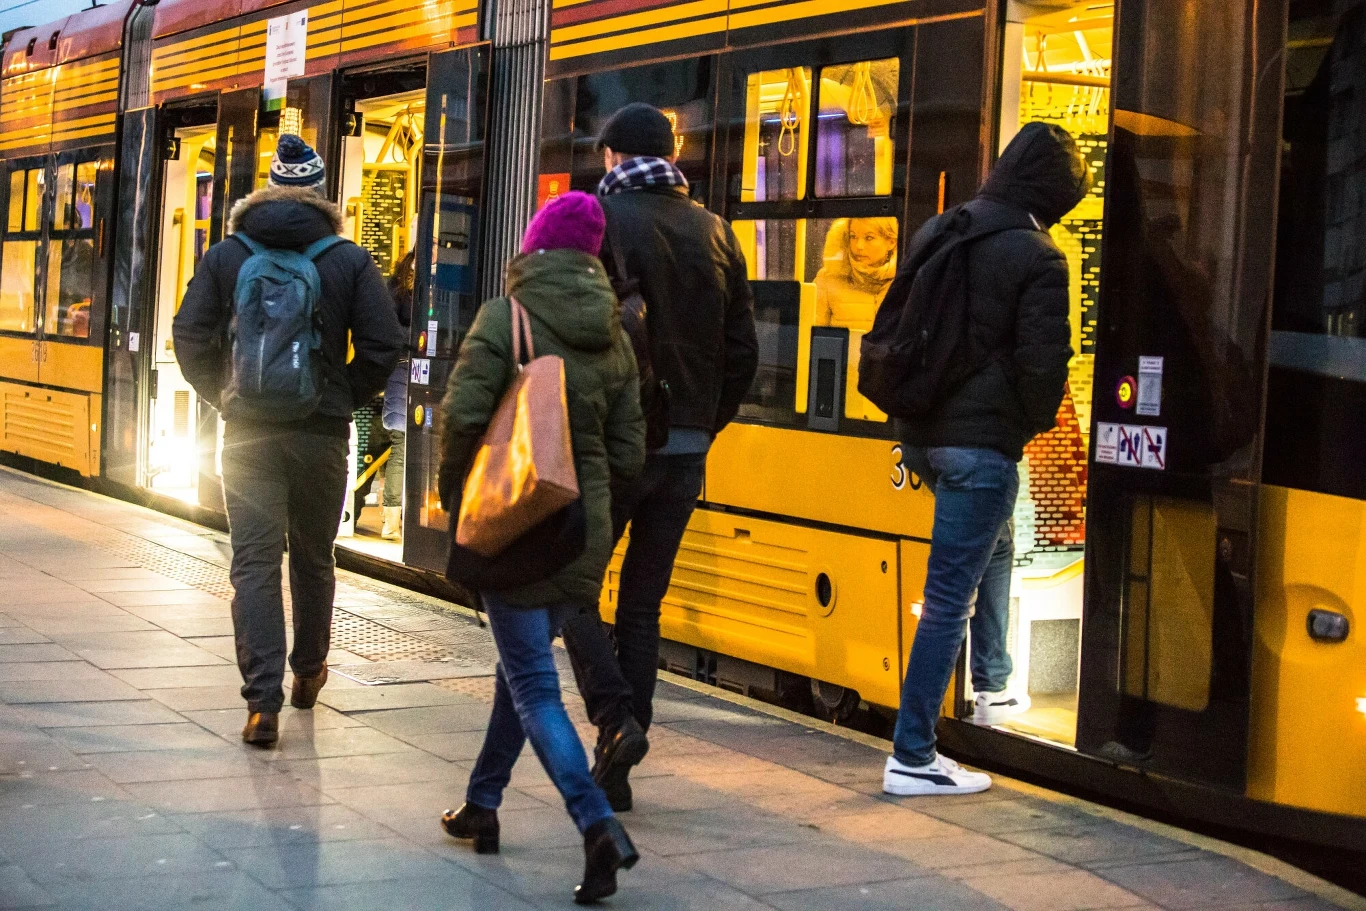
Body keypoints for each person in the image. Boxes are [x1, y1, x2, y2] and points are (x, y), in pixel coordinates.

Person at [436, 191, 645, 904]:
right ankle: (482, 802)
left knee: (531, 685)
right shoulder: (615, 332)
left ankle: (597, 826)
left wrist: (456, 496)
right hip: (580, 535)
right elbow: (629, 450)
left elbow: (462, 417)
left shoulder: (508, 317)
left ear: (533, 247)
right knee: (518, 673)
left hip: (515, 525)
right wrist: (591, 514)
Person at [173, 135, 403, 746]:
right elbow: (383, 345)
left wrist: (223, 395)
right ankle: (308, 673)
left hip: (247, 433)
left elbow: (189, 335)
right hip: (322, 434)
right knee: (312, 556)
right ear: (322, 193)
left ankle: (261, 705)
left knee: (252, 562)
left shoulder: (228, 254)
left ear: (269, 188)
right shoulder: (348, 259)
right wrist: (342, 396)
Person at [560, 103, 758, 812]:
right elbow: (744, 353)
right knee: (641, 607)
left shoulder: (596, 220)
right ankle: (620, 763)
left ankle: (614, 720)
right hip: (684, 455)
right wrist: (703, 424)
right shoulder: (717, 231)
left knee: (568, 588)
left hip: (615, 448)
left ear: (613, 155)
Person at [885, 121, 1091, 796]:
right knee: (948, 596)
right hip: (979, 445)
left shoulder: (942, 228)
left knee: (994, 545)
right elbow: (1044, 368)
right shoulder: (1039, 255)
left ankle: (993, 683)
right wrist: (1020, 428)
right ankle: (912, 754)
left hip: (922, 435)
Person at [379, 248, 416, 540]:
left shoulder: (397, 287)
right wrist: (420, 338)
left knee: (404, 448)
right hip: (405, 371)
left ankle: (397, 519)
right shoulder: (400, 289)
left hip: (406, 372)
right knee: (402, 447)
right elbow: (390, 330)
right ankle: (392, 519)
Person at [814, 216, 899, 328]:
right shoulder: (828, 278)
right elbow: (810, 334)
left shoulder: (904, 279)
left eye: (869, 238)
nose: (858, 246)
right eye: (853, 236)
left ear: (891, 242)